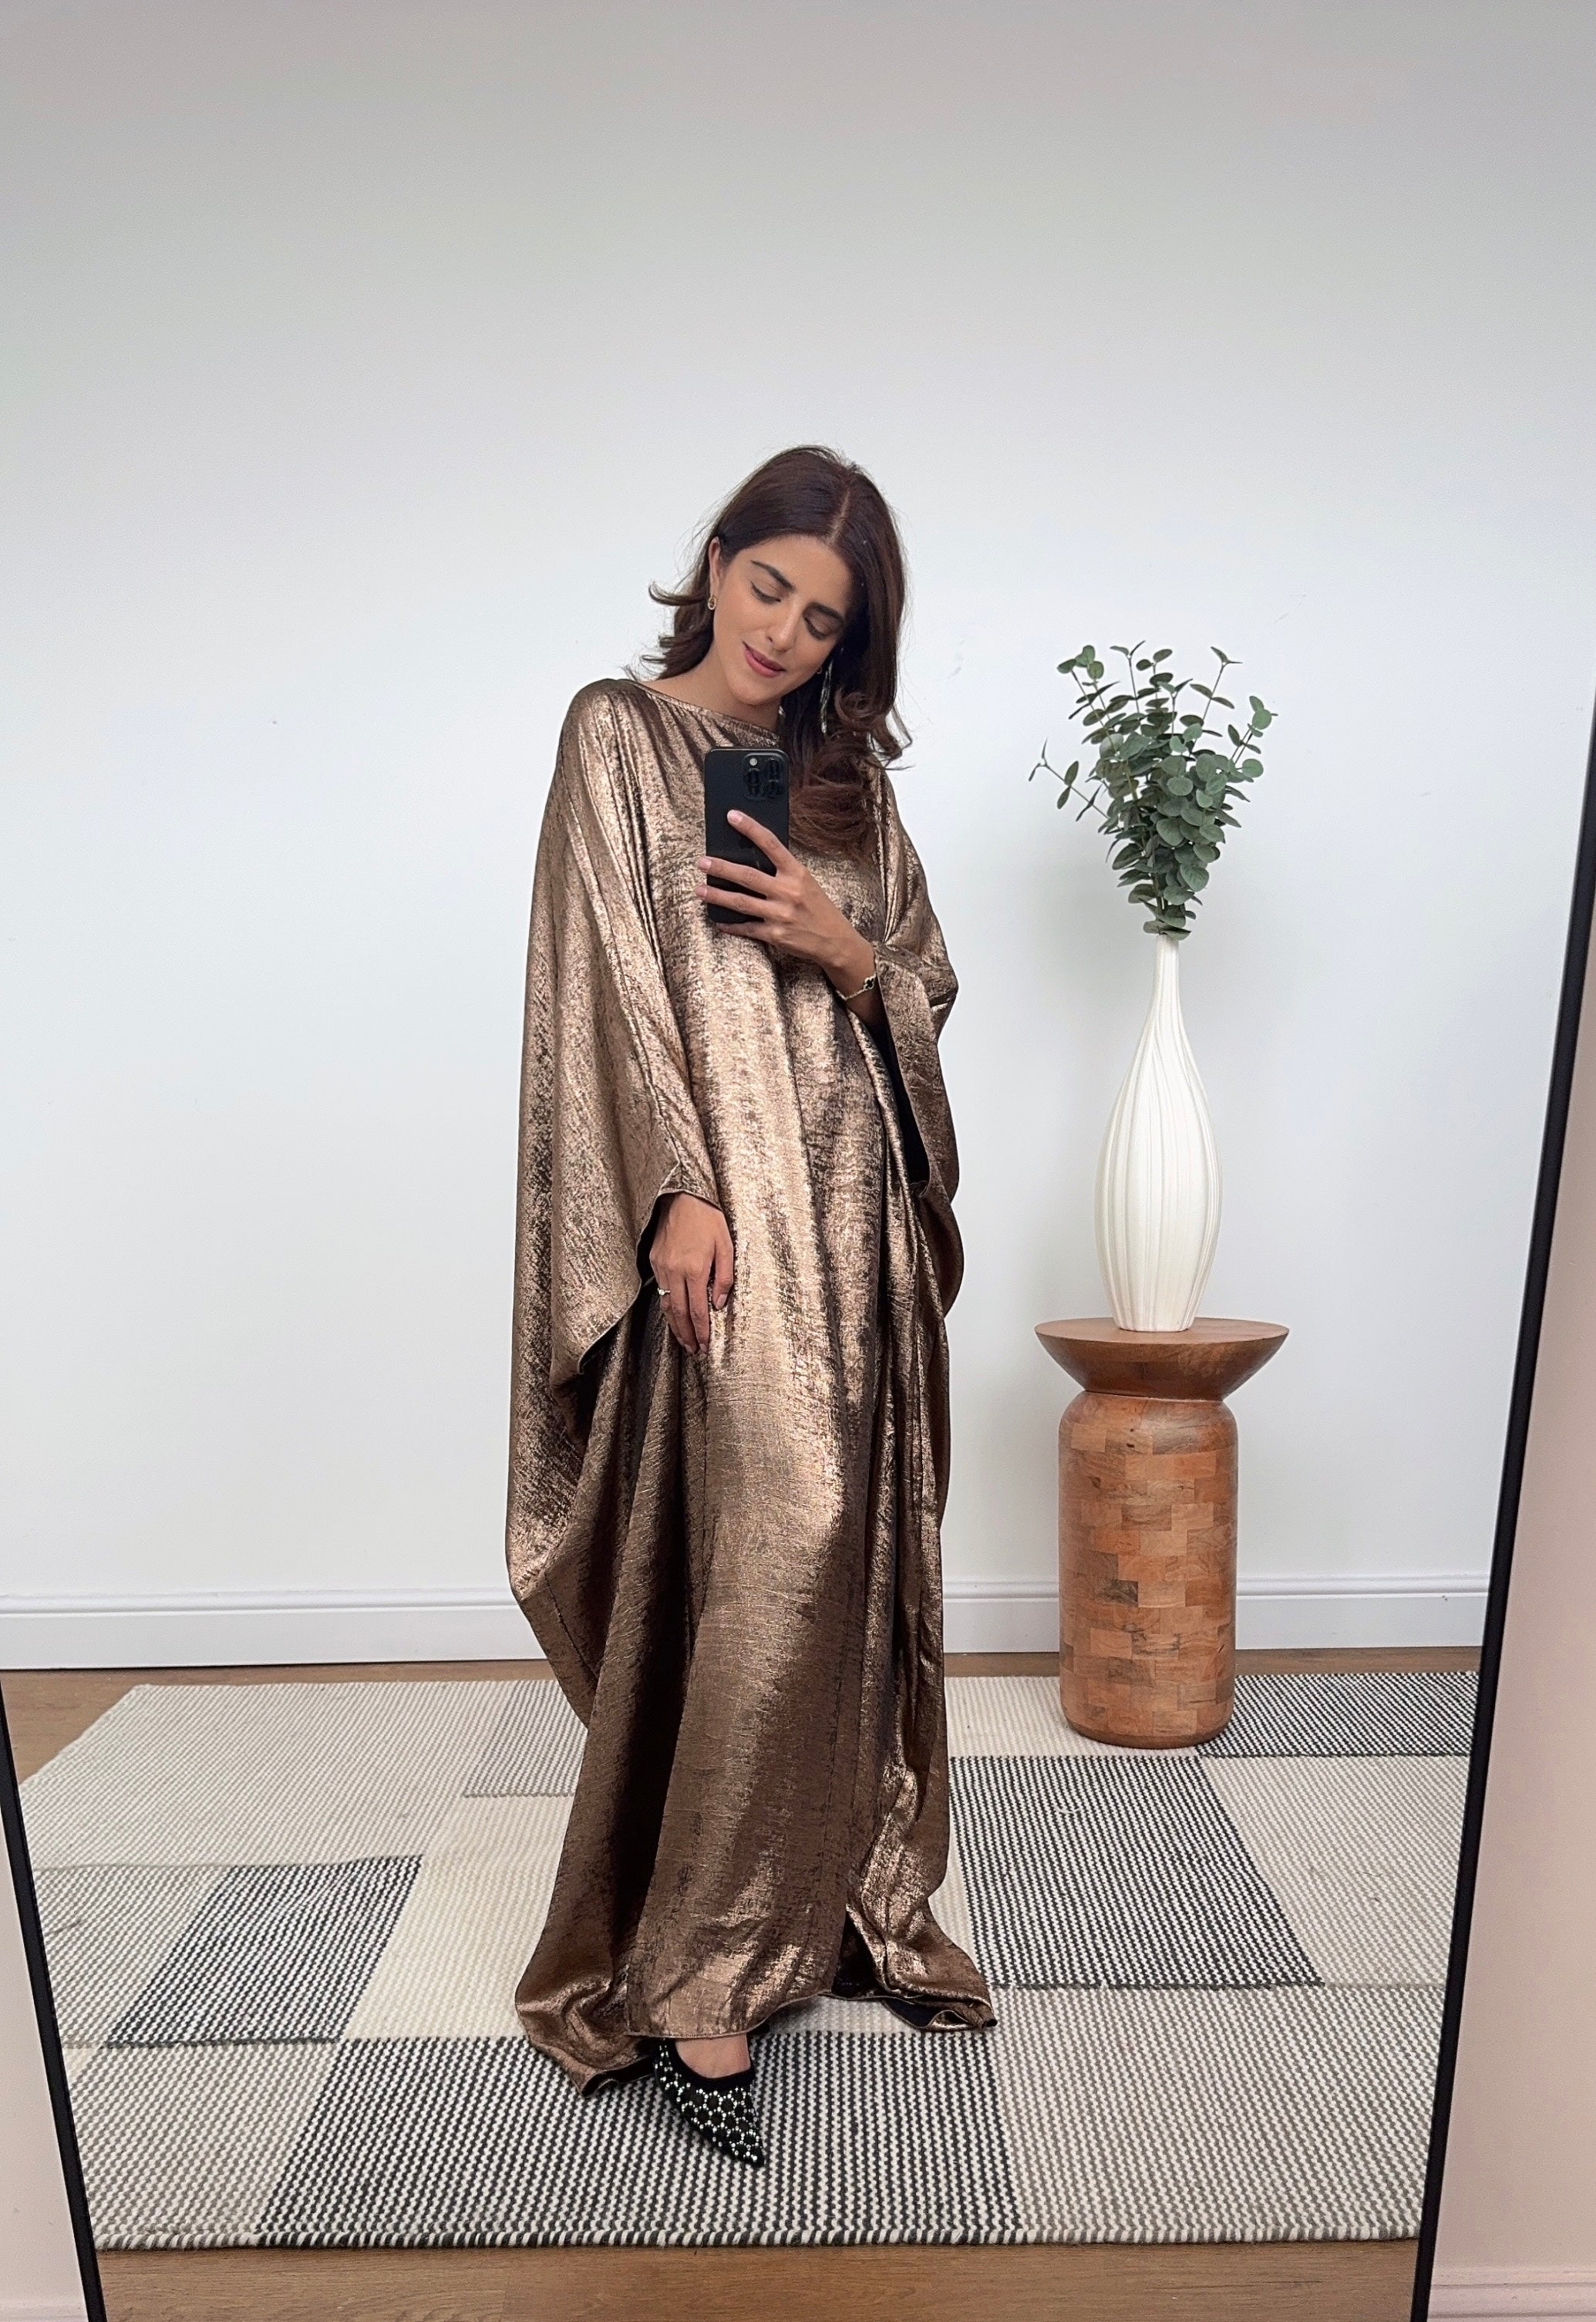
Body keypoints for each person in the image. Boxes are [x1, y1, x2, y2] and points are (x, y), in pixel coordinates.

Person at [505, 444, 993, 2168]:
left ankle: (790, 1899)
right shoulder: (616, 736)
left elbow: (919, 977)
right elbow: (610, 976)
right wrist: (675, 1189)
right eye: (768, 584)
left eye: (824, 617)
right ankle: (698, 1981)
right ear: (716, 560)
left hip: (852, 1219)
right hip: (721, 1215)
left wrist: (839, 946)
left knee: (828, 1552)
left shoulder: (845, 790)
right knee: (763, 1544)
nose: (783, 630)